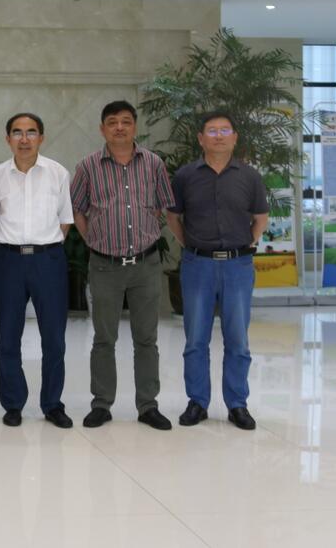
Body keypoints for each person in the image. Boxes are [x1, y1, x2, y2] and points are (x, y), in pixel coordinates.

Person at [71, 100, 175, 430]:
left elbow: (162, 207)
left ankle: (148, 405)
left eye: (126, 121)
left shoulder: (154, 163)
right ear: (102, 129)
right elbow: (77, 210)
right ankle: (102, 404)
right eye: (113, 122)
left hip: (145, 264)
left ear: (135, 127)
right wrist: (94, 240)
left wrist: (146, 233)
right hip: (105, 266)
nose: (119, 127)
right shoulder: (87, 167)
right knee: (104, 338)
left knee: (147, 339)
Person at [166, 112, 268, 430]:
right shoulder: (185, 176)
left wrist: (246, 244)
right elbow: (173, 217)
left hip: (238, 266)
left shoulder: (249, 176)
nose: (219, 136)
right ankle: (197, 402)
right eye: (212, 131)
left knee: (237, 339)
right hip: (198, 265)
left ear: (235, 138)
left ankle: (237, 404)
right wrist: (191, 245)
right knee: (196, 339)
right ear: (201, 139)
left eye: (225, 130)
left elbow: (260, 217)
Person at [0, 112, 74, 429]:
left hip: (48, 260)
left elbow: (65, 220)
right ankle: (13, 403)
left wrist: (44, 248)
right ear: (7, 138)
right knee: (8, 337)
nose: (24, 139)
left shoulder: (58, 173)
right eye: (17, 132)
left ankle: (52, 404)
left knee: (54, 338)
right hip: (9, 260)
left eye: (31, 132)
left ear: (41, 137)